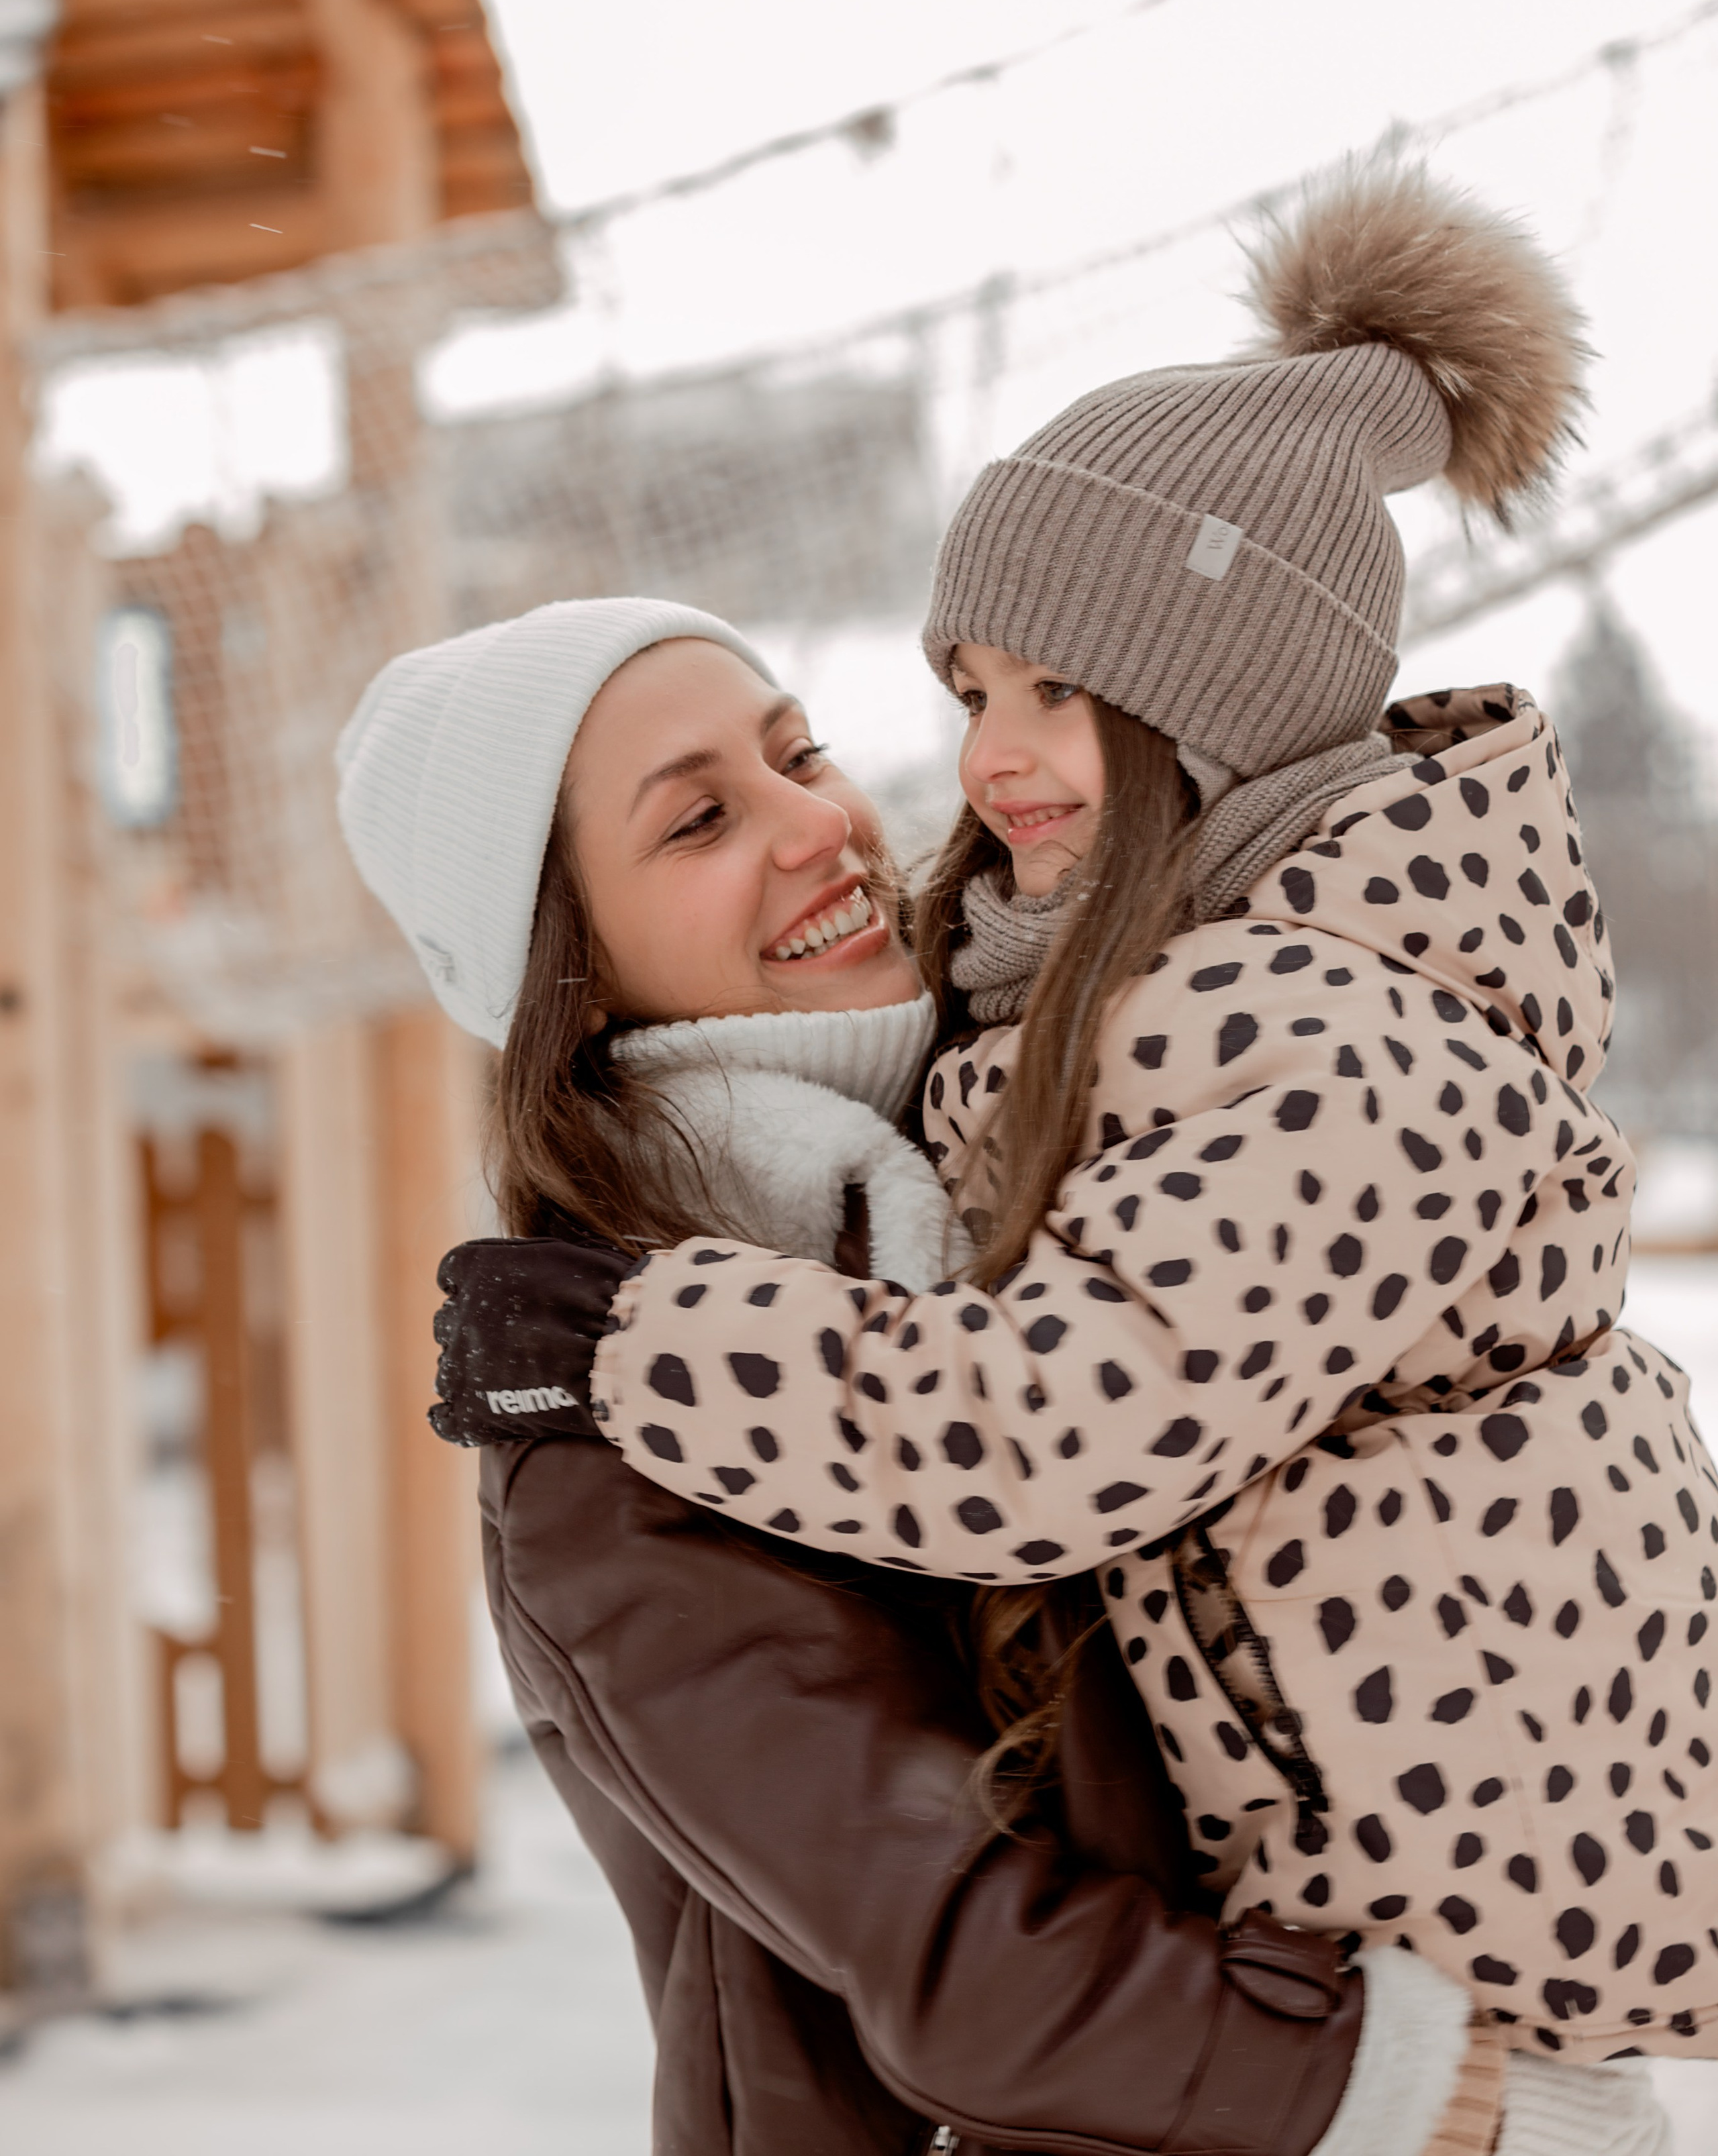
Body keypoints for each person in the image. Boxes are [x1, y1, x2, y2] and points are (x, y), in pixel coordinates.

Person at [574, 170, 1716, 2075]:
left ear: (1225, 704)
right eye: (971, 689)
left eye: (1059, 692)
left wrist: (651, 1340)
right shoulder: (1143, 986)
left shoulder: (1346, 1038)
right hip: (1366, 1888)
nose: (988, 758)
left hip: (1509, 1915)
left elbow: (1069, 1425)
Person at [339, 583, 1661, 2151]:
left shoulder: (1043, 1172)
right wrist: (1451, 2097)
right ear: (566, 962)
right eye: (698, 821)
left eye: (797, 754)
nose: (818, 824)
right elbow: (973, 1974)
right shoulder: (619, 1425)